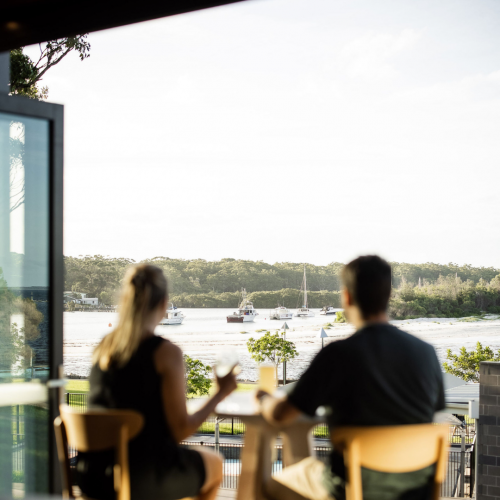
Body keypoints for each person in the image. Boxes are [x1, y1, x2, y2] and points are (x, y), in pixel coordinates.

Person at [259, 255, 445, 500]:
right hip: (414, 490)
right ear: (389, 296)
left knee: (272, 484)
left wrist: (263, 398)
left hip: (350, 488)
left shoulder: (337, 355)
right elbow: (433, 413)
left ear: (347, 297)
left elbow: (282, 415)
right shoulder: (426, 353)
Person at [76, 264, 237, 500]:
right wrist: (220, 393)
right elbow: (181, 430)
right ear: (164, 304)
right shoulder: (165, 353)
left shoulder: (104, 348)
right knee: (214, 462)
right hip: (143, 476)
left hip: (93, 476)